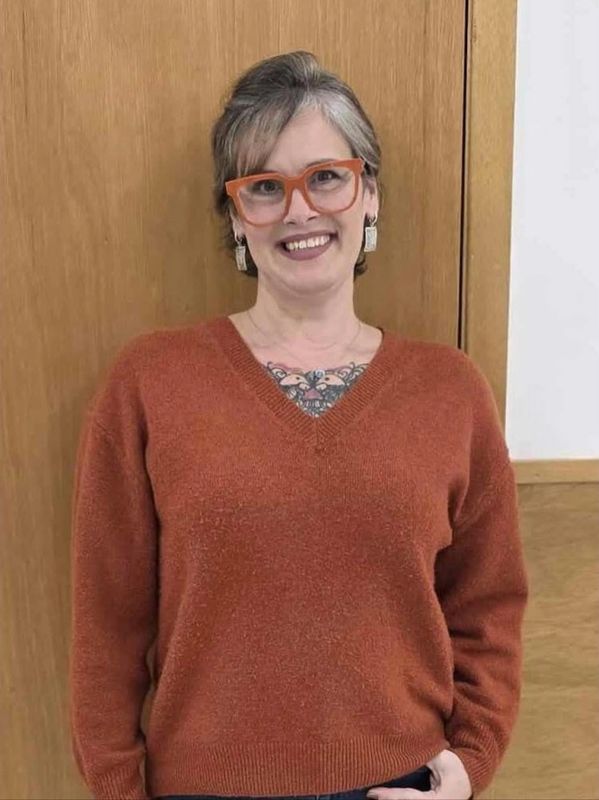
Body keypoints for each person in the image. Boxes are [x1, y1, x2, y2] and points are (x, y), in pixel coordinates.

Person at [68, 51, 528, 800]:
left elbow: (488, 607)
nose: (299, 210)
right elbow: (106, 627)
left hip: (400, 784)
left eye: (326, 177)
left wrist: (470, 762)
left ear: (368, 193)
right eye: (264, 186)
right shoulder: (150, 382)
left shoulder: (451, 392)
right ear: (234, 216)